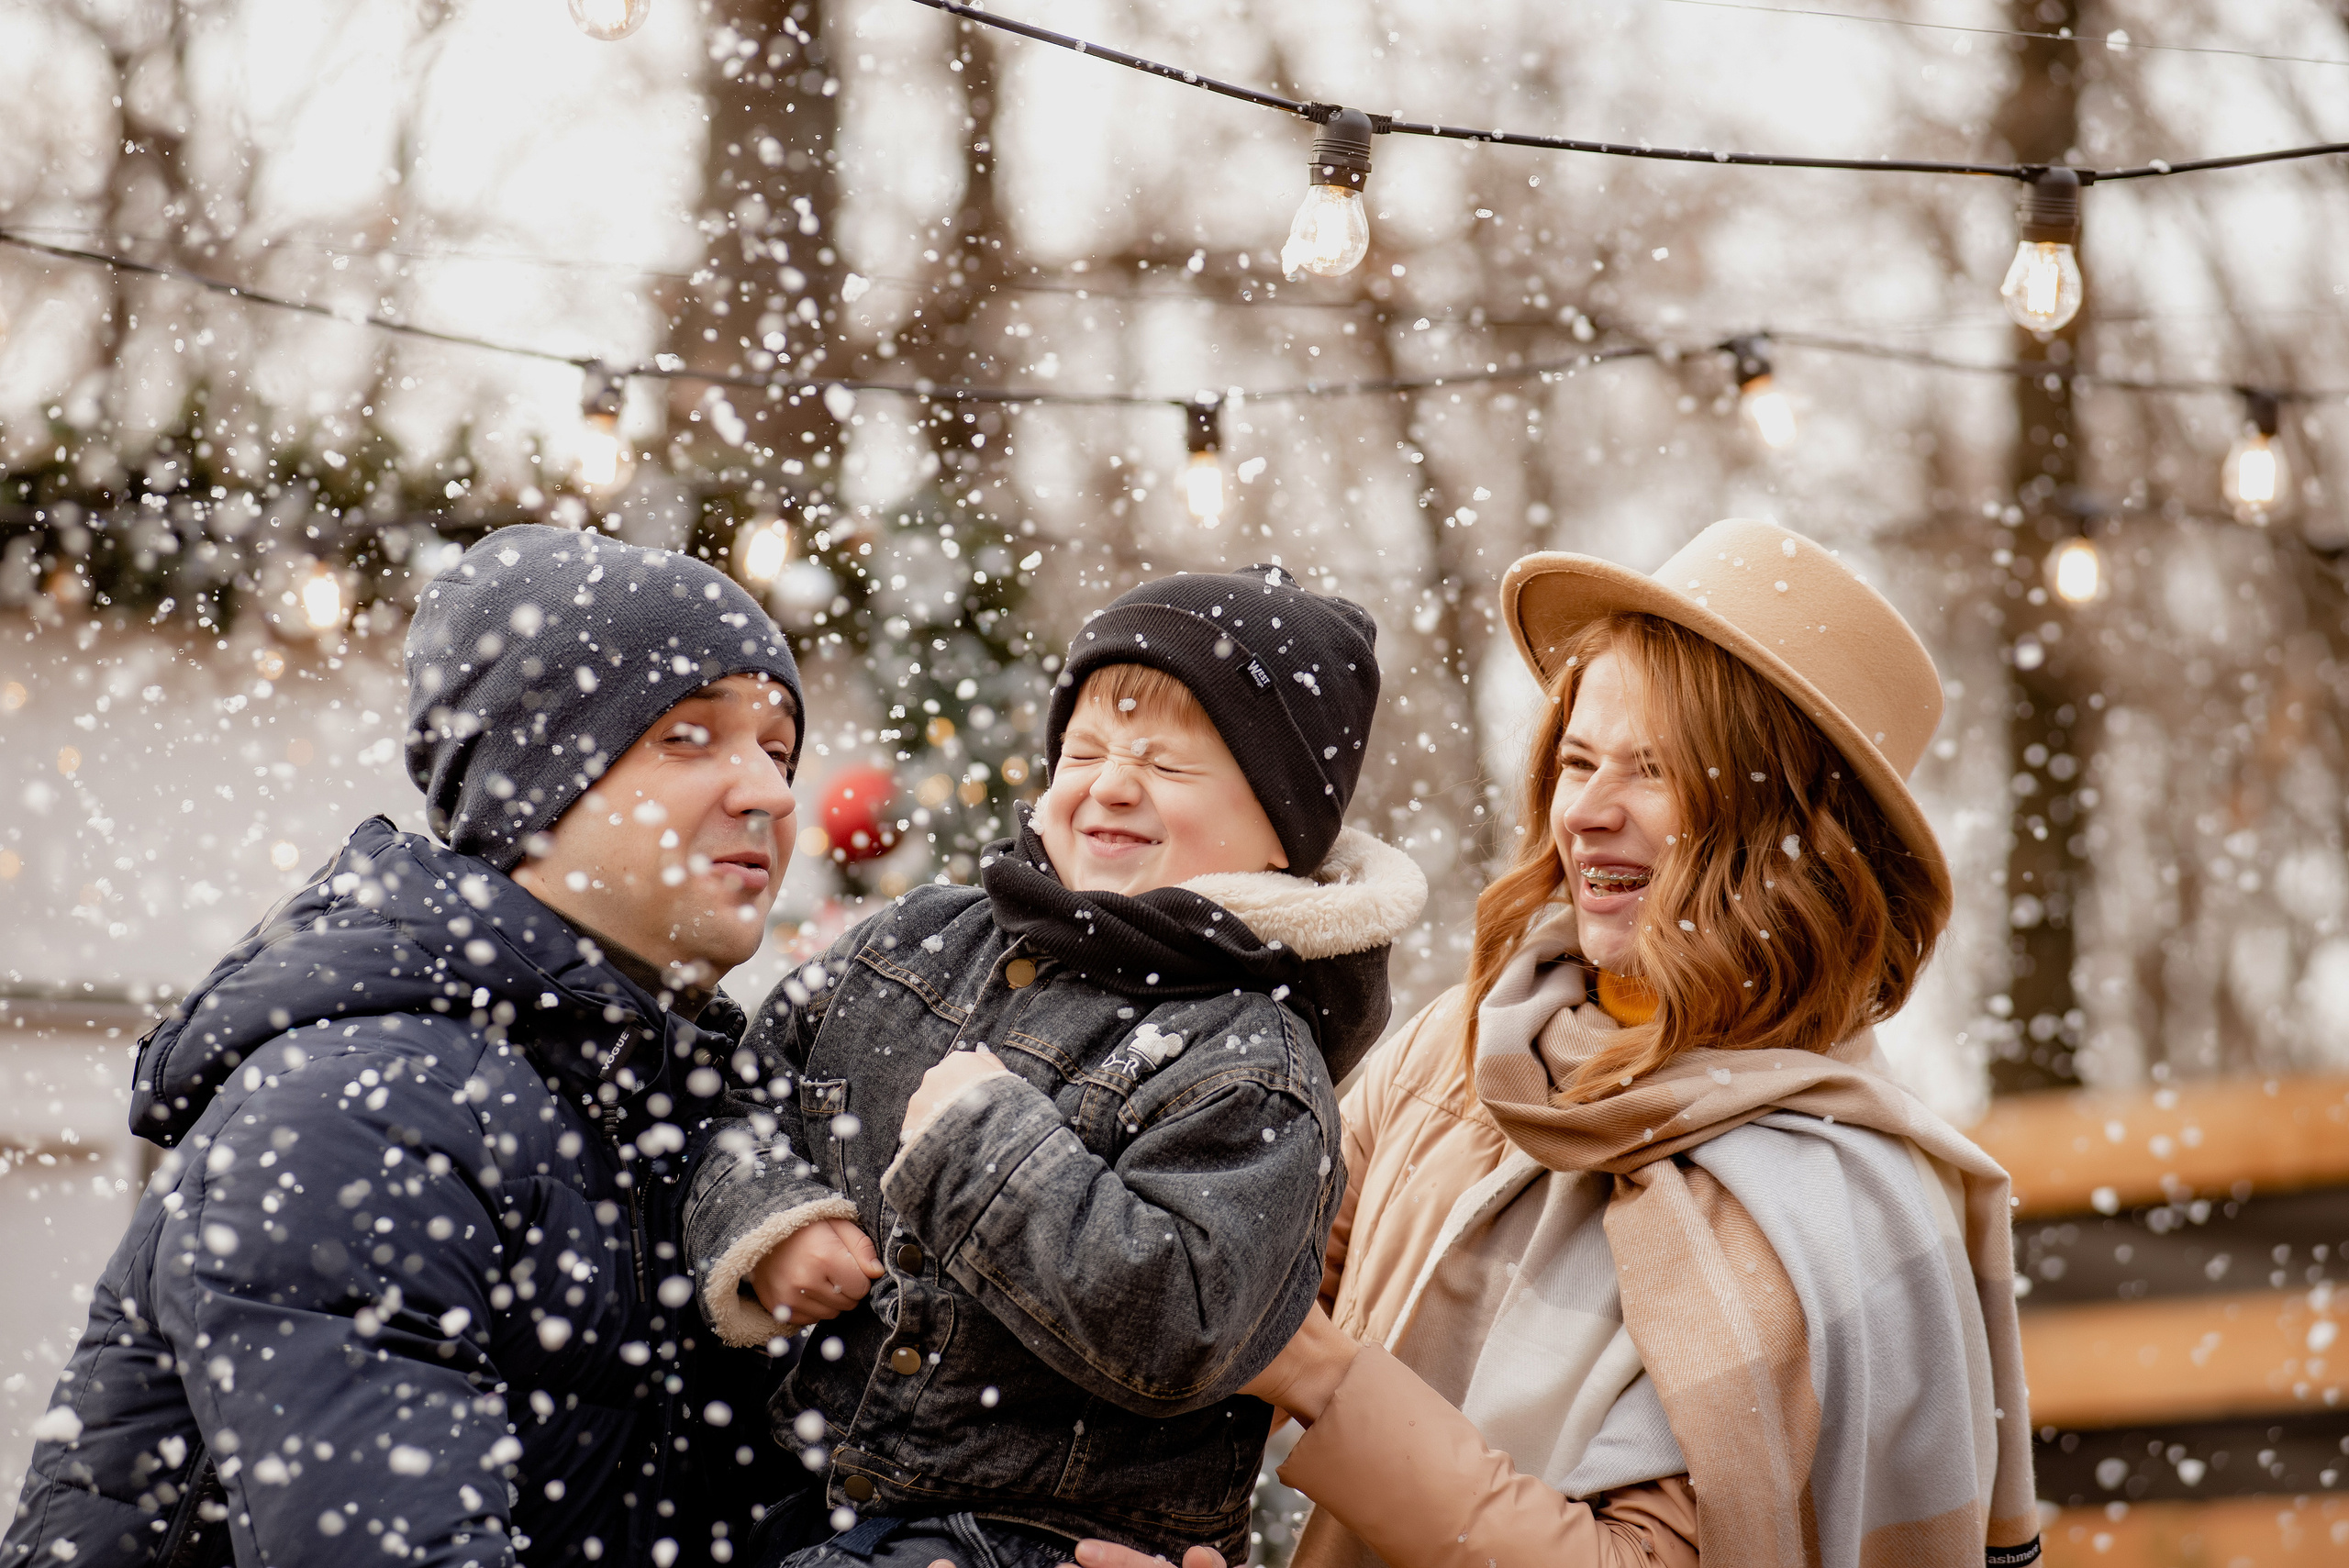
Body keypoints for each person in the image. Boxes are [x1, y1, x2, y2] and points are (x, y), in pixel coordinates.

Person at [1093, 519, 2042, 1568]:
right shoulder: (1457, 1059)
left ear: (1790, 828)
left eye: (1654, 772)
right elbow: (1193, 1320)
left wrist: (1325, 1375)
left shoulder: (1834, 1211)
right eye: (1577, 760)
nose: (1582, 812)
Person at [6, 524, 812, 1568]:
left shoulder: (695, 1121)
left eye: (780, 749)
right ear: (534, 781)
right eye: (688, 737)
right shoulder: (359, 1112)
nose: (772, 793)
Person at [683, 567, 1429, 1568]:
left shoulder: (1253, 1061)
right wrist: (765, 1214)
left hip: (1030, 1543)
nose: (1110, 781)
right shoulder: (913, 941)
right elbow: (727, 1093)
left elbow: (1182, 1326)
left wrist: (981, 1148)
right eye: (1085, 748)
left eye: (1167, 764)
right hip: (789, 1487)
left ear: (1280, 825)